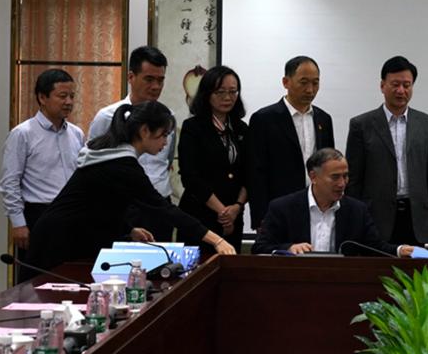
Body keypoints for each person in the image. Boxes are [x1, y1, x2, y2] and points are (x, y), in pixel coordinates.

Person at [26, 101, 236, 277]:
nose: (165, 142)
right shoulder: (122, 164)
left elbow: (102, 202)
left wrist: (129, 229)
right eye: (163, 134)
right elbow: (163, 208)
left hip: (69, 235)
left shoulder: (113, 155)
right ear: (144, 131)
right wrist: (216, 239)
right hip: (58, 240)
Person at [346, 56, 428, 245]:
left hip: (416, 217)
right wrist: (354, 217)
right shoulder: (361, 125)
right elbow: (354, 179)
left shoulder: (427, 124)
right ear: (382, 86)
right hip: (375, 217)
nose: (401, 90)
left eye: (407, 85)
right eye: (395, 84)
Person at [252, 148, 414, 257]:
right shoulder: (283, 207)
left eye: (346, 176)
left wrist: (400, 250)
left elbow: (374, 247)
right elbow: (259, 247)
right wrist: (288, 248)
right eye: (335, 177)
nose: (342, 183)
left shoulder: (357, 210)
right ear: (313, 177)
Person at [88, 45, 176, 240]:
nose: (156, 86)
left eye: (160, 80)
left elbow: (166, 161)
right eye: (149, 79)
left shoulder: (168, 117)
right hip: (124, 206)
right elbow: (92, 164)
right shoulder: (108, 116)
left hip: (159, 204)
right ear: (131, 77)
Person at [0, 68, 85, 259]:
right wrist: (18, 223)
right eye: (62, 96)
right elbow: (9, 182)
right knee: (37, 273)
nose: (69, 102)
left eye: (72, 96)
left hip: (72, 215)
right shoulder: (22, 134)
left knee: (69, 272)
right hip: (38, 215)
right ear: (42, 97)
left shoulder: (76, 133)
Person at [247, 56, 334, 230]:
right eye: (304, 82)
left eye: (315, 83)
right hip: (278, 209)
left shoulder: (323, 119)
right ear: (286, 82)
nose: (310, 89)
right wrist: (260, 216)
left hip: (317, 208)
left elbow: (328, 165)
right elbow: (255, 172)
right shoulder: (264, 119)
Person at [177, 66, 250, 255]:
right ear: (207, 94)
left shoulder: (242, 129)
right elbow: (190, 176)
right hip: (199, 215)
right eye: (220, 92)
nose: (227, 97)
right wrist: (222, 211)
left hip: (234, 216)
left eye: (233, 92)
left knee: (230, 266)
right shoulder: (193, 127)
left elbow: (249, 173)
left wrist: (237, 208)